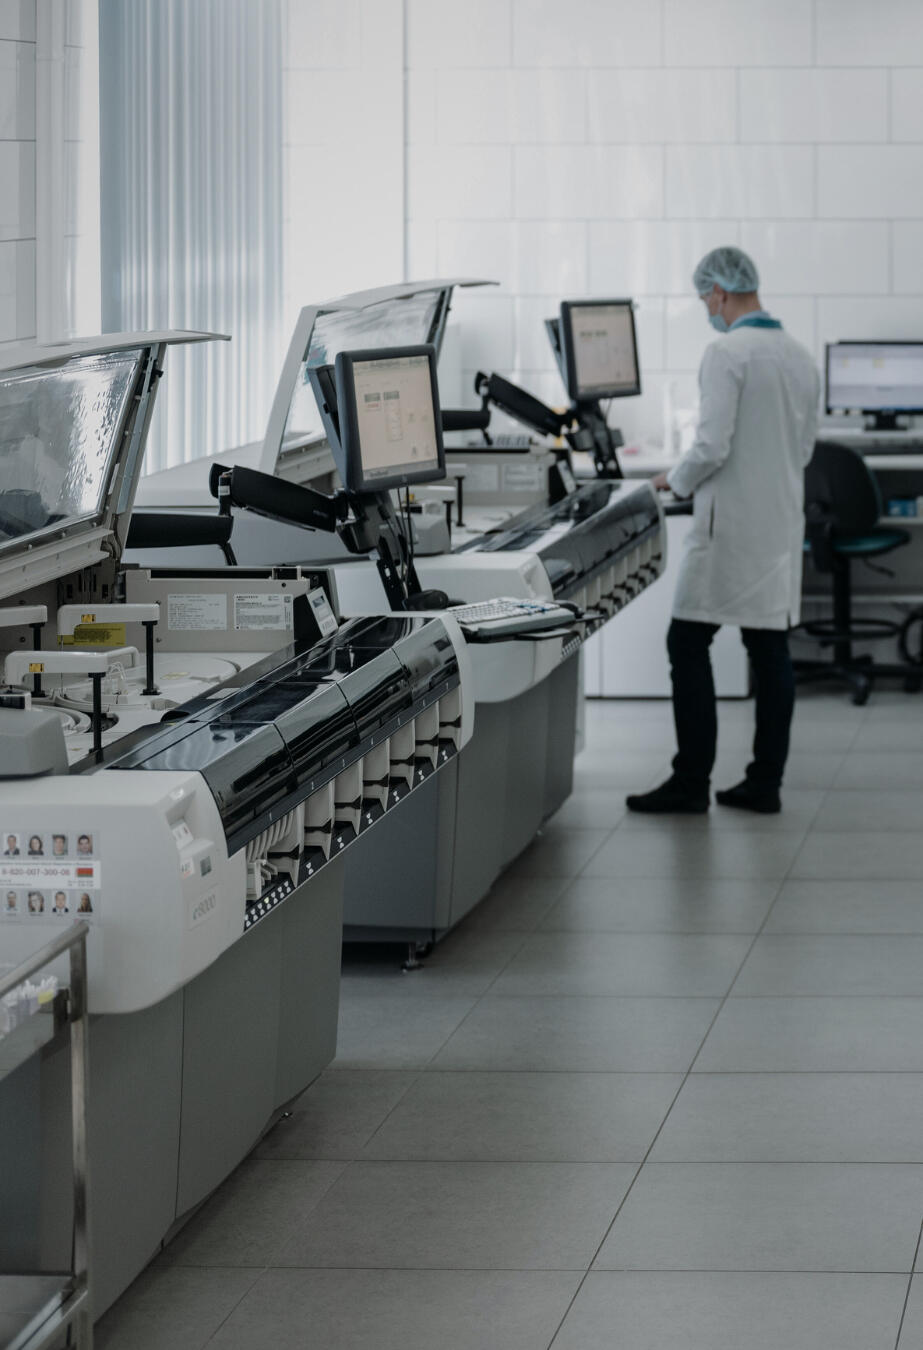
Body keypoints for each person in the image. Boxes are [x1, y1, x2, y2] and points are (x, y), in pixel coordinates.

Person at [627, 246, 820, 816]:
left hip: (729, 528)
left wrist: (673, 481)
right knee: (769, 649)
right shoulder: (799, 355)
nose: (706, 308)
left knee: (685, 643)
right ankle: (765, 783)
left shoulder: (727, 353)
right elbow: (803, 448)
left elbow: (711, 445)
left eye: (704, 298)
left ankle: (690, 782)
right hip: (778, 524)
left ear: (719, 293)